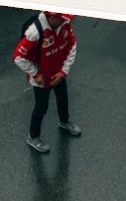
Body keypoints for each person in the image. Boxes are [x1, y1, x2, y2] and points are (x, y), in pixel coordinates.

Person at [12, 11, 82, 153]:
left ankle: (64, 122)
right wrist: (35, 74)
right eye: (62, 19)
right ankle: (33, 137)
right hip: (42, 79)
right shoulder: (34, 32)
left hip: (58, 74)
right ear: (52, 18)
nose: (66, 22)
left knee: (63, 98)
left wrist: (63, 72)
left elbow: (72, 45)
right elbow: (18, 57)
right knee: (41, 108)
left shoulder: (65, 24)